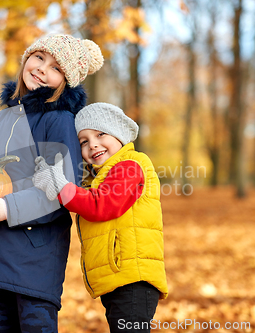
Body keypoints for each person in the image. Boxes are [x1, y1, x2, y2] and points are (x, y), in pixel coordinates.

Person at [0, 34, 104, 332]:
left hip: (34, 261)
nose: (43, 69)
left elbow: (62, 192)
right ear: (26, 59)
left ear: (65, 82)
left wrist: (5, 208)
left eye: (56, 68)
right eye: (39, 58)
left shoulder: (58, 120)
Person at [32, 103, 168, 333]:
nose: (92, 144)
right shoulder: (101, 176)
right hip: (118, 279)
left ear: (120, 135)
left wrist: (60, 187)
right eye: (83, 141)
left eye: (100, 134)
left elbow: (101, 204)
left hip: (133, 279)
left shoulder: (130, 166)